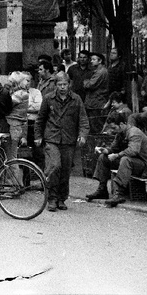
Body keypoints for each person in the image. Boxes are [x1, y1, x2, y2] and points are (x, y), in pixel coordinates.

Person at [35, 71, 89, 212]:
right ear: (55, 85)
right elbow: (40, 119)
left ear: (69, 84)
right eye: (60, 84)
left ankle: (61, 198)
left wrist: (82, 135)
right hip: (52, 138)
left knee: (65, 170)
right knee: (55, 166)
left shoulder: (76, 99)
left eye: (65, 84)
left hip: (68, 139)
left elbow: (83, 120)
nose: (63, 87)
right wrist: (38, 136)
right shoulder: (48, 98)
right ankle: (52, 198)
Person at [85, 121, 147, 207]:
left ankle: (119, 193)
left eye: (114, 128)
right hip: (134, 163)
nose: (112, 131)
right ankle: (102, 189)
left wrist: (117, 155)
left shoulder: (134, 132)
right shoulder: (120, 133)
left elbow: (133, 151)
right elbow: (113, 148)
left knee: (125, 160)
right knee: (103, 157)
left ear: (122, 124)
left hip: (146, 166)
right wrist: (106, 150)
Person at [5, 71, 30, 158]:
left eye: (10, 81)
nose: (8, 83)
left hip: (13, 126)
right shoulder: (22, 93)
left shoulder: (20, 95)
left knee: (11, 157)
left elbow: (7, 105)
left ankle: (15, 172)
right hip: (16, 127)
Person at [83, 52, 109, 134]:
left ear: (100, 61)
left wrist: (86, 82)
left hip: (96, 102)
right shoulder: (98, 71)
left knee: (96, 125)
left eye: (94, 59)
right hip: (94, 102)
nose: (91, 61)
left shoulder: (101, 72)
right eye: (91, 59)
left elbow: (90, 85)